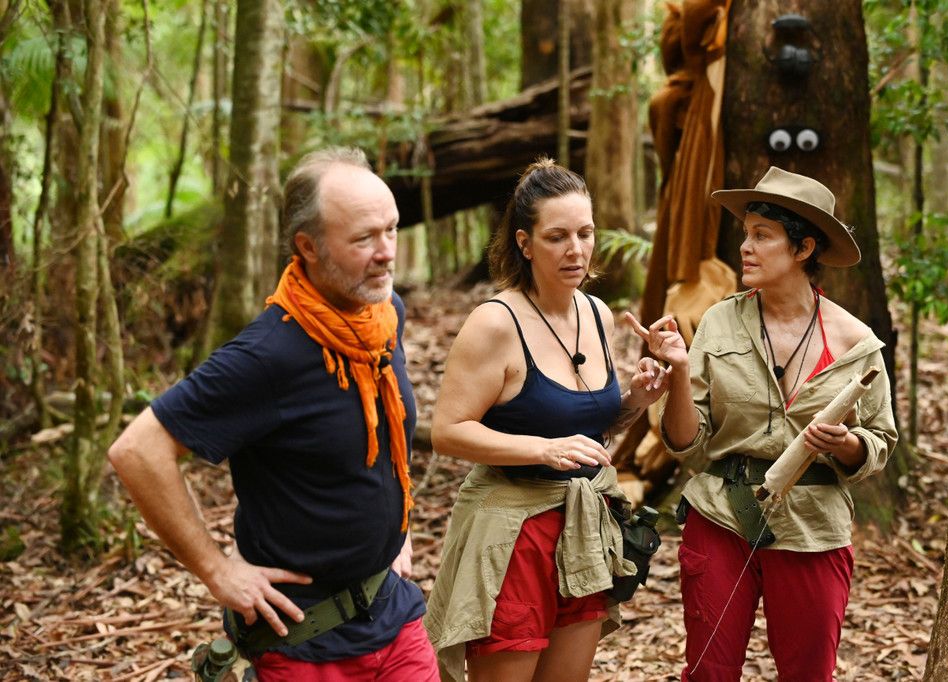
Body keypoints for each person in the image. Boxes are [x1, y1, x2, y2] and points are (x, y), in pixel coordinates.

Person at [107, 147, 440, 681]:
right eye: (363, 239)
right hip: (305, 642)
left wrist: (395, 528)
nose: (386, 253)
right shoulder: (268, 355)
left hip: (393, 613)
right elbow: (138, 450)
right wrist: (217, 572)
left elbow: (379, 443)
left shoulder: (384, 314)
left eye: (392, 230)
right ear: (308, 246)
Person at [628, 166, 898, 681]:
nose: (745, 248)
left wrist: (845, 444)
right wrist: (679, 372)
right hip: (721, 515)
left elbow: (880, 442)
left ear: (803, 248)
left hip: (813, 527)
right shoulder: (720, 321)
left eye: (762, 236)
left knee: (808, 673)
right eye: (746, 234)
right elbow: (687, 442)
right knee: (709, 672)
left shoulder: (856, 341)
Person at [424, 159, 672, 682]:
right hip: (514, 535)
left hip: (584, 528)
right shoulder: (495, 322)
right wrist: (541, 449)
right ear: (525, 243)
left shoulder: (597, 314)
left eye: (585, 233)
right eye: (557, 237)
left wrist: (638, 398)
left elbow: (592, 431)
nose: (575, 250)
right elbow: (448, 431)